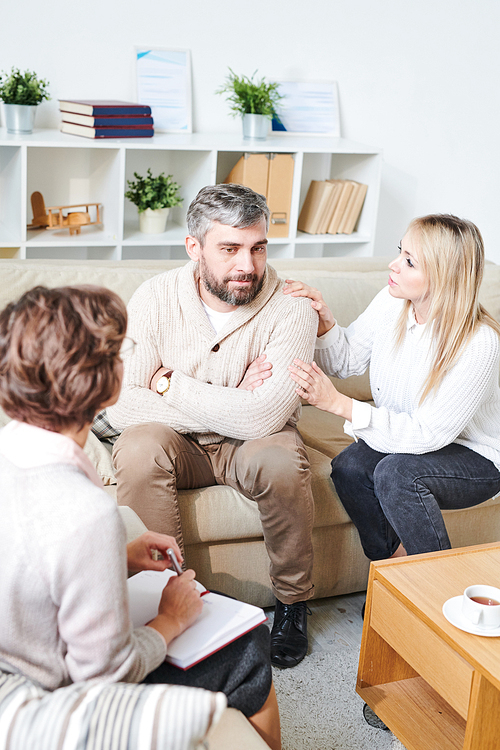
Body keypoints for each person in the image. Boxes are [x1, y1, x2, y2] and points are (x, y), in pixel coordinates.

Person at [0, 284, 280, 750]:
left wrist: (117, 558)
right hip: (48, 690)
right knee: (250, 650)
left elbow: (30, 556)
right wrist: (172, 618)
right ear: (105, 382)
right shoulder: (85, 512)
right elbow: (104, 676)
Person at [104, 184, 319, 668]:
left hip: (254, 443)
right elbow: (120, 404)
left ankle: (292, 604)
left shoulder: (293, 308)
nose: (247, 264)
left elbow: (264, 417)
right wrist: (235, 397)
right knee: (138, 447)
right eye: (230, 249)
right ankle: (167, 598)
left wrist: (170, 385)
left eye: (258, 247)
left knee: (281, 458)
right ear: (194, 247)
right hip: (177, 444)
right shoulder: (155, 297)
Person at [285, 214, 500, 563]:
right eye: (401, 252)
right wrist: (326, 324)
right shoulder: (393, 302)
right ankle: (394, 572)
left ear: (443, 277)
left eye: (410, 262)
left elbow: (429, 434)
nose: (394, 265)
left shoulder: (479, 342)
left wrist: (340, 405)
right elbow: (346, 361)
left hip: (477, 456)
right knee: (350, 467)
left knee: (396, 475)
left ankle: (433, 590)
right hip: (414, 439)